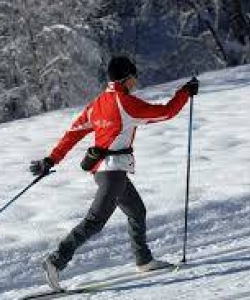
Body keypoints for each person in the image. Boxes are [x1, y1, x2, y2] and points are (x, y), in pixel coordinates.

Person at [30, 56, 199, 290]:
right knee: (94, 222)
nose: (136, 82)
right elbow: (167, 112)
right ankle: (55, 261)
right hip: (113, 173)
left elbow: (73, 133)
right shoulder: (126, 103)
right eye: (133, 77)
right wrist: (185, 93)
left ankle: (144, 260)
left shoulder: (98, 103)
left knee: (137, 211)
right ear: (126, 78)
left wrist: (50, 159)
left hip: (105, 170)